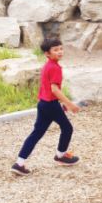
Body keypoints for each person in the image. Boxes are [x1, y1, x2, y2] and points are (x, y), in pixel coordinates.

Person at [11, 37, 79, 176]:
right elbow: (54, 90)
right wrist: (69, 104)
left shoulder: (47, 65)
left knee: (37, 133)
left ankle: (19, 163)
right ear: (47, 53)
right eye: (55, 50)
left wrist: (59, 105)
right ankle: (61, 156)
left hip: (43, 103)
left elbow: (47, 90)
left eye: (61, 48)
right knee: (67, 128)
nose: (59, 52)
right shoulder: (55, 68)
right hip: (50, 105)